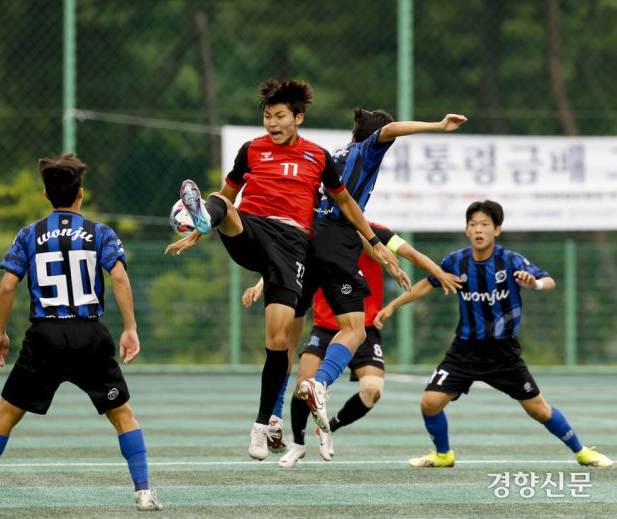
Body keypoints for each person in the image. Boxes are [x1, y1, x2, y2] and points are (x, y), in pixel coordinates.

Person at [165, 79, 400, 461]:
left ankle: (262, 426)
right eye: (266, 116)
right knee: (217, 203)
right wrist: (199, 230)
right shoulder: (251, 150)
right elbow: (228, 195)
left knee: (278, 341)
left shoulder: (319, 157)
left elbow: (347, 204)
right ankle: (200, 219)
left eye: (279, 117)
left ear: (298, 118)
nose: (271, 124)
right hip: (252, 229)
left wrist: (373, 241)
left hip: (290, 244)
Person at [0, 154, 162, 511]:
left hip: (44, 337)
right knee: (122, 414)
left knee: (6, 414)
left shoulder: (29, 234)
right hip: (89, 335)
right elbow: (120, 276)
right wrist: (130, 327)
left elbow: (6, 286)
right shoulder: (100, 233)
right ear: (81, 193)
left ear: (46, 196)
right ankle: (143, 492)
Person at [374, 200, 613, 468]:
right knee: (430, 402)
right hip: (464, 350)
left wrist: (533, 283)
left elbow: (549, 281)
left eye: (485, 224)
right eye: (473, 224)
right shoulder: (455, 261)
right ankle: (443, 455)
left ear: (497, 230)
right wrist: (392, 305)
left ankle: (582, 452)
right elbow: (428, 284)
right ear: (466, 230)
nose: (479, 229)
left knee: (539, 410)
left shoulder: (510, 260)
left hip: (503, 353)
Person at [290, 108, 467, 436]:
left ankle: (283, 421)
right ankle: (310, 407)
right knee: (338, 343)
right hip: (331, 249)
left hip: (307, 235)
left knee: (290, 339)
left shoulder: (333, 157)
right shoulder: (366, 151)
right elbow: (391, 130)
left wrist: (426, 268)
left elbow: (407, 252)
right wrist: (437, 124)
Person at [243, 222, 460, 468]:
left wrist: (437, 272)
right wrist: (261, 285)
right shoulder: (316, 227)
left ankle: (329, 429)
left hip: (364, 326)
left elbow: (410, 253)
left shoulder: (373, 232)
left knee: (373, 390)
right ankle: (298, 445)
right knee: (303, 383)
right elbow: (288, 259)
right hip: (326, 325)